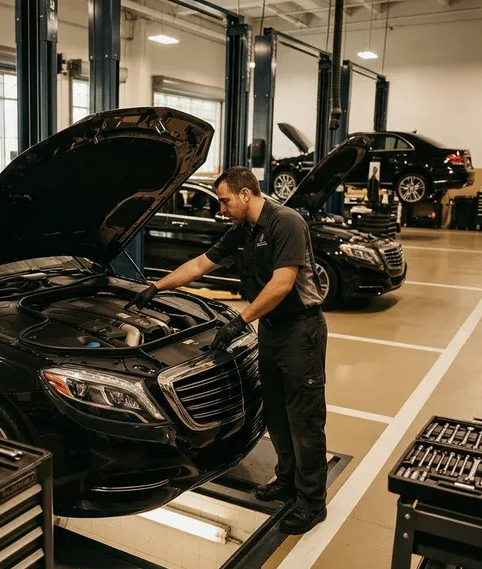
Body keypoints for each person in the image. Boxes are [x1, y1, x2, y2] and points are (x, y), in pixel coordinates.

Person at [126, 167, 329, 535]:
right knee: (276, 414)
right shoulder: (243, 233)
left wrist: (240, 321)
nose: (221, 208)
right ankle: (286, 480)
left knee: (304, 418)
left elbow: (282, 284)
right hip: (271, 330)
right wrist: (156, 288)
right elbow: (200, 265)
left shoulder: (286, 223)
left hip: (301, 332)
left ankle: (312, 501)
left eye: (224, 200)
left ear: (246, 195)